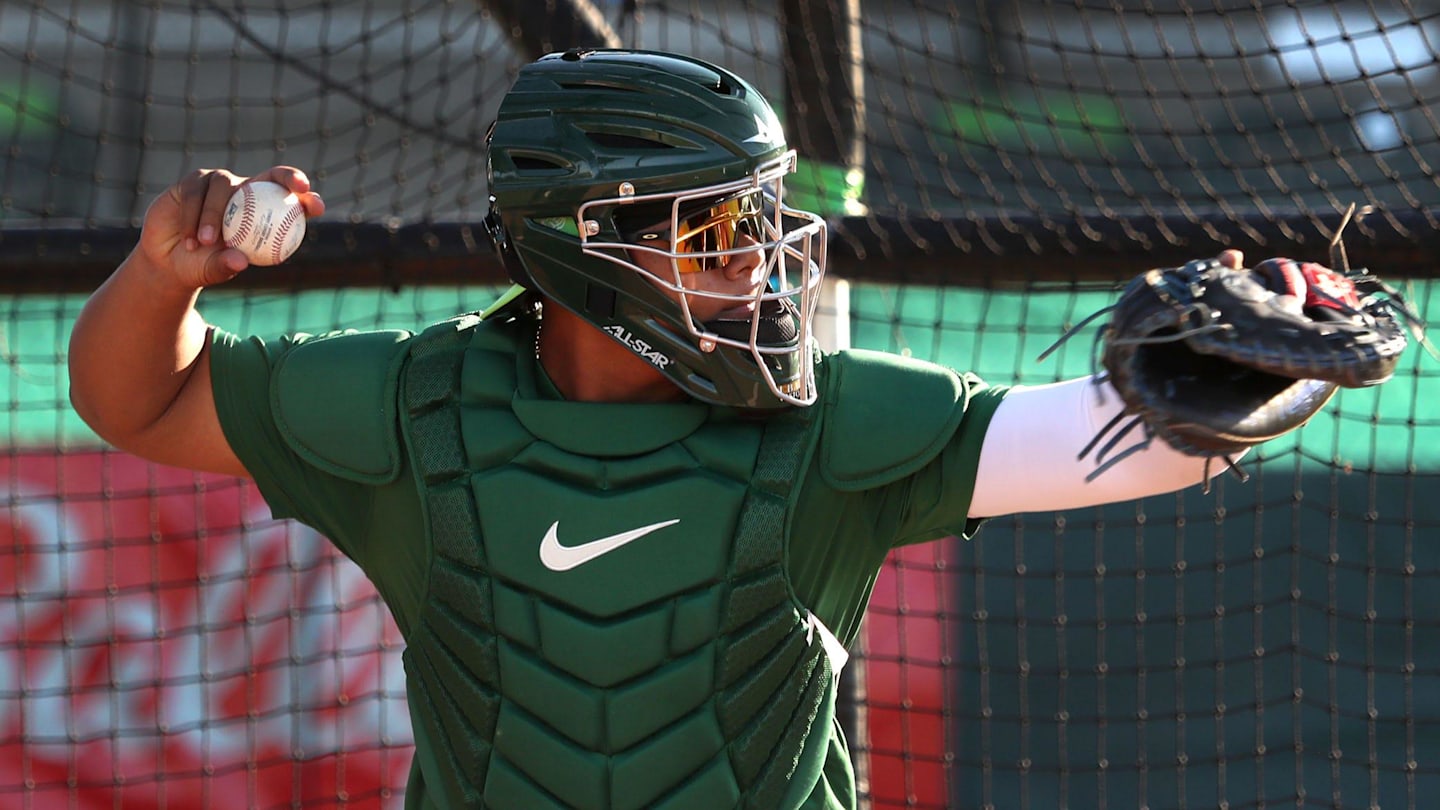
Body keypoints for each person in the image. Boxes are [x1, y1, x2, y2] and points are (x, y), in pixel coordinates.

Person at [68, 49, 1296, 810]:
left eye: (764, 224)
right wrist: (163, 271)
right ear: (584, 245)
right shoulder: (416, 409)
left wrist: (1263, 357)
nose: (764, 268)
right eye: (719, 232)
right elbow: (140, 401)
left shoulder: (832, 419)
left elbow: (1129, 439)